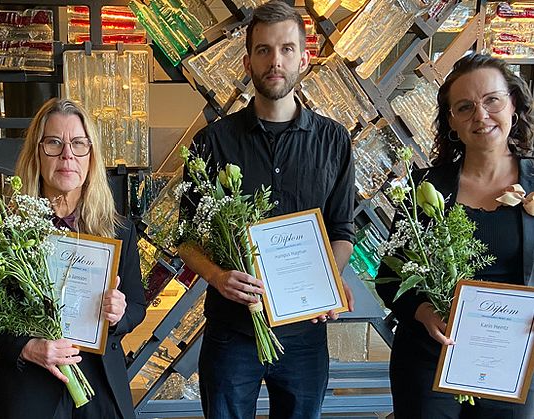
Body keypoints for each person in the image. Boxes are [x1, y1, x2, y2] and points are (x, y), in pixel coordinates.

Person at [177, 1, 356, 417]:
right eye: (263, 50)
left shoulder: (334, 140)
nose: (275, 60)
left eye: (287, 49)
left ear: (304, 59)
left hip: (305, 331)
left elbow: (342, 231)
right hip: (231, 328)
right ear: (247, 60)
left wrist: (330, 276)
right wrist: (219, 277)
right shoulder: (213, 142)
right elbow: (187, 238)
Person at [376, 53, 534, 418]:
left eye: (491, 100)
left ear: (512, 103)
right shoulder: (424, 187)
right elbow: (388, 277)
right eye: (465, 107)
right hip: (428, 361)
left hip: (513, 363)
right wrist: (423, 311)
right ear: (452, 123)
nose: (481, 115)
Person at [0, 98, 147, 419]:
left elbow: (137, 305)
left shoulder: (118, 229)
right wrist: (26, 347)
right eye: (54, 143)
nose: (67, 155)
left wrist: (120, 314)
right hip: (29, 386)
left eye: (79, 144)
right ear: (37, 153)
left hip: (99, 385)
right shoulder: (11, 226)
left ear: (91, 156)